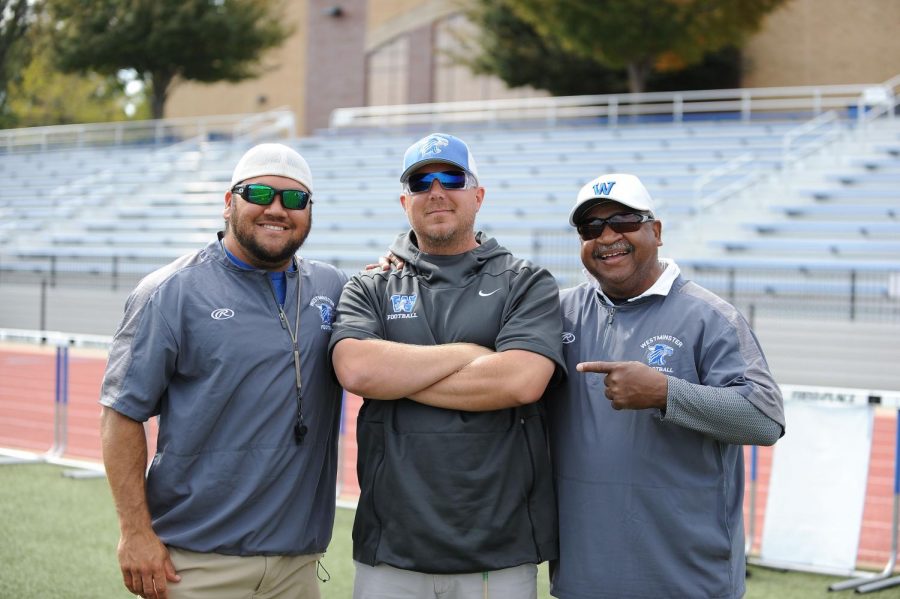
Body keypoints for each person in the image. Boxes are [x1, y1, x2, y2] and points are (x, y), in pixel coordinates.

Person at [99, 143, 348, 599]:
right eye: (259, 194)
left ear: (310, 211)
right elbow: (121, 414)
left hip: (297, 565)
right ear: (229, 201)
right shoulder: (169, 291)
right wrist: (134, 531)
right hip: (197, 563)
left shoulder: (332, 287)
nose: (277, 209)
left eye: (295, 200)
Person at [329, 132, 566, 599]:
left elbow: (521, 381)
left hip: (498, 549)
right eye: (421, 182)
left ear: (477, 195)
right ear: (405, 201)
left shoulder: (527, 281)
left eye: (451, 178)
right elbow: (357, 372)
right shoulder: (371, 284)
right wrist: (471, 355)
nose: (436, 191)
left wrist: (395, 377)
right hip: (390, 546)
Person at [547, 173, 785, 599]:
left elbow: (765, 420)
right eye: (592, 228)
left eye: (623, 221)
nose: (607, 237)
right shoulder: (557, 313)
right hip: (583, 580)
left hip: (686, 581)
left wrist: (666, 393)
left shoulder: (710, 317)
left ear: (655, 231)